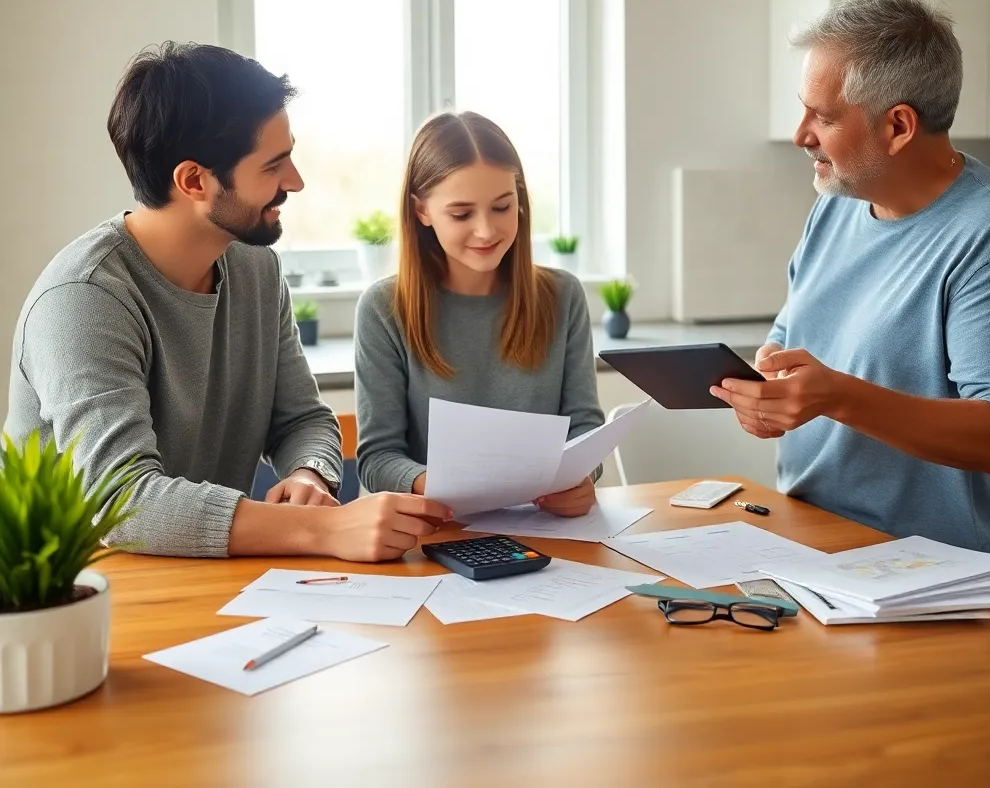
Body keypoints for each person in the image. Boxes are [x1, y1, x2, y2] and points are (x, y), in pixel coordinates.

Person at [4, 43, 449, 561]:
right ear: (194, 180)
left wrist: (309, 474)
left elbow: (302, 420)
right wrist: (322, 532)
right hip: (75, 594)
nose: (295, 182)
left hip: (204, 572)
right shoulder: (84, 299)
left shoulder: (256, 268)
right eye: (273, 165)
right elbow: (122, 500)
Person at [711, 0, 990, 558]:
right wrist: (771, 379)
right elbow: (795, 330)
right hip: (816, 541)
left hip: (943, 575)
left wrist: (838, 398)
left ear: (898, 126)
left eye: (823, 117)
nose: (800, 133)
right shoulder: (839, 201)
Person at [355, 111, 605, 517]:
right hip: (435, 533)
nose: (487, 231)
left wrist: (581, 477)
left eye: (503, 207)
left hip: (544, 531)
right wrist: (443, 486)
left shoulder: (562, 296)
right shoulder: (384, 309)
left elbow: (585, 429)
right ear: (421, 211)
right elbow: (378, 459)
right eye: (461, 214)